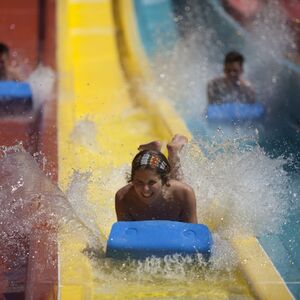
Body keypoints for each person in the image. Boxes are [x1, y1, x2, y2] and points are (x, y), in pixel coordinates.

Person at [115, 134, 198, 223]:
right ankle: (154, 151)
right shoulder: (123, 198)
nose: (145, 189)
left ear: (165, 181)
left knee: (177, 179)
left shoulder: (185, 193)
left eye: (151, 182)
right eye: (139, 182)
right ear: (132, 180)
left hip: (173, 187)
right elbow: (124, 235)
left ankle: (174, 152)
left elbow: (192, 232)